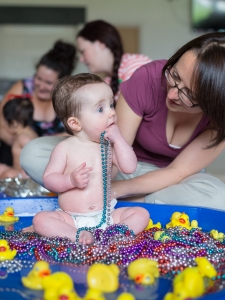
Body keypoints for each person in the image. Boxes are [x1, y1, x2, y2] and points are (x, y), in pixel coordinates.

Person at [21, 32, 225, 210]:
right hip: (123, 166)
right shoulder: (148, 78)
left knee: (218, 198)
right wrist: (102, 185)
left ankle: (137, 201)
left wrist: (115, 192)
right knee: (34, 153)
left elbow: (177, 172)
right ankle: (151, 203)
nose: (172, 94)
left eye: (188, 95)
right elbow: (113, 152)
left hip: (177, 180)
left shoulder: (220, 118)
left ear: (213, 104)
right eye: (174, 75)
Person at [23, 73, 149, 244]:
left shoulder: (108, 146)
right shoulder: (65, 148)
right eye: (100, 109)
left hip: (107, 217)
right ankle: (76, 235)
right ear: (75, 123)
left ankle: (114, 236)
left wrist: (119, 139)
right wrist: (70, 180)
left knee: (141, 214)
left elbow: (129, 167)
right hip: (71, 218)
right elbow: (50, 179)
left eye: (111, 105)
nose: (112, 113)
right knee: (40, 220)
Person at [0, 40, 76, 166]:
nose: (40, 86)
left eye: (48, 83)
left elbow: (77, 133)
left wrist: (37, 143)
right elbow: (1, 121)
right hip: (15, 158)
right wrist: (20, 141)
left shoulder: (69, 98)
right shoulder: (23, 88)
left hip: (52, 160)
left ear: (62, 82)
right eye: (38, 78)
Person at [76, 20, 151, 101]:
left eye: (83, 51)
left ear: (100, 44)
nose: (81, 59)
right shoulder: (108, 82)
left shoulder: (136, 65)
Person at [0, 95, 38, 179]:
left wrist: (26, 174)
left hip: (24, 175)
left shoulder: (24, 138)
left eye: (5, 122)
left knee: (7, 174)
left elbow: (35, 158)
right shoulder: (29, 133)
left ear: (14, 123)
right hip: (17, 170)